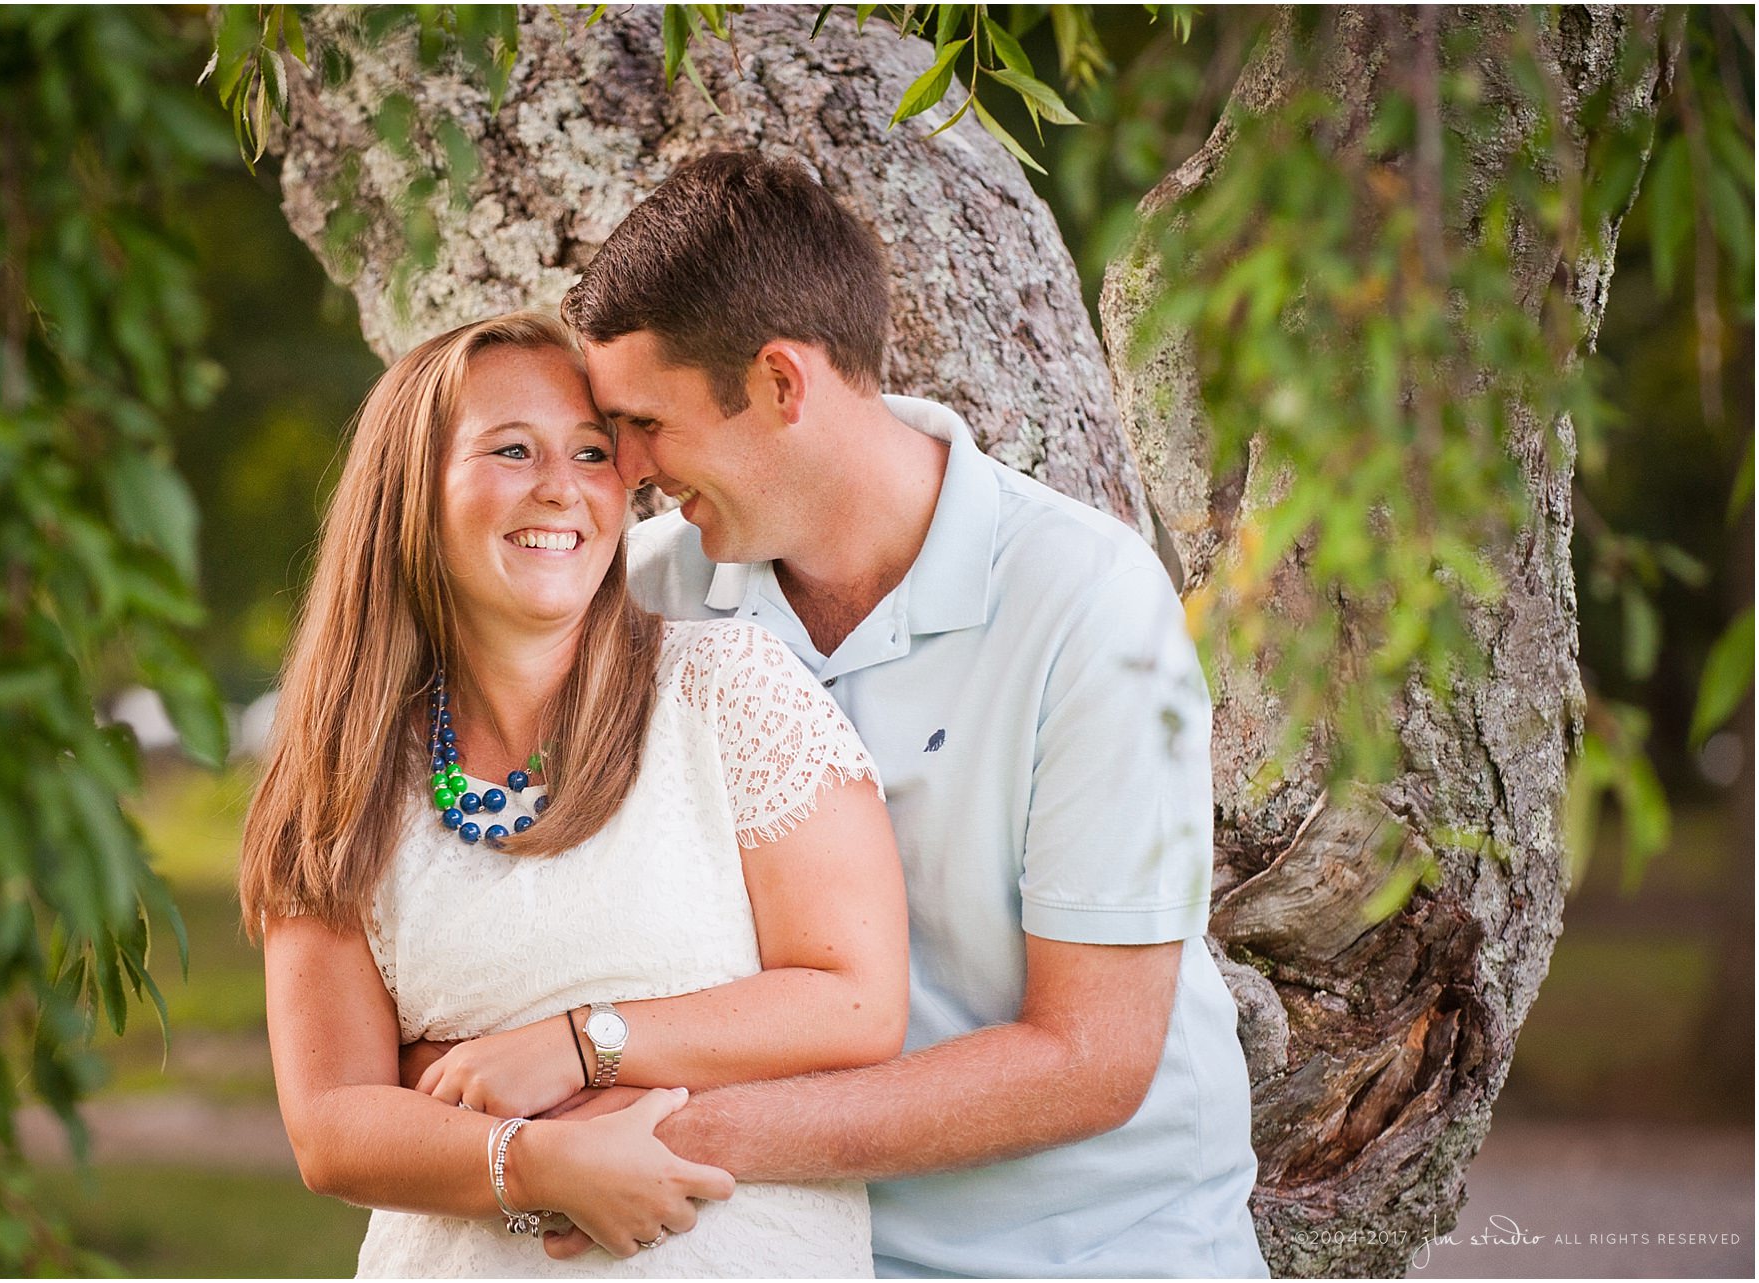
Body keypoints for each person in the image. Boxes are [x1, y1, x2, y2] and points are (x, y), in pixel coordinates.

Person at [540, 149, 1271, 1278]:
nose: (624, 468)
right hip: (787, 1246)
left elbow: (1090, 1056)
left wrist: (668, 1139)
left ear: (782, 383)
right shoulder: (642, 595)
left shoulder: (1088, 601)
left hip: (1096, 1251)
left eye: (646, 422)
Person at [238, 311, 911, 1277]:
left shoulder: (728, 692)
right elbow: (335, 1124)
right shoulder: (342, 775)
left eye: (593, 454)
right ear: (409, 493)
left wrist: (582, 1043)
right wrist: (539, 1162)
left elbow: (855, 1002)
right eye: (512, 449)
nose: (560, 487)